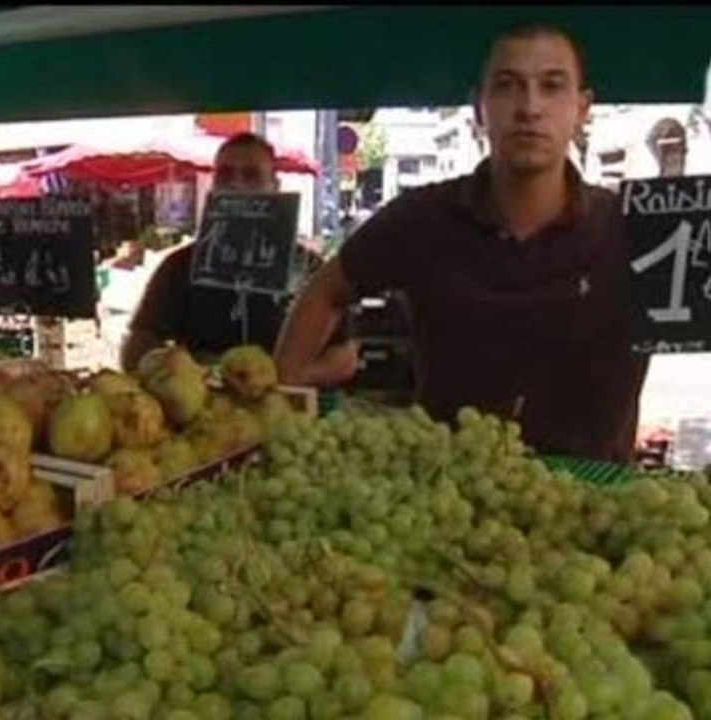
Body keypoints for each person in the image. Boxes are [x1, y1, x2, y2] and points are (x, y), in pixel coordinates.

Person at [275, 24, 648, 462]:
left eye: (552, 86)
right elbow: (328, 289)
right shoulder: (423, 218)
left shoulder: (633, 228)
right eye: (507, 85)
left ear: (582, 108)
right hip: (447, 486)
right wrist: (278, 399)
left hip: (597, 494)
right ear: (478, 107)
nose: (530, 107)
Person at [121, 132, 355, 372]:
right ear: (213, 185)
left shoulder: (309, 268)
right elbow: (139, 341)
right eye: (225, 175)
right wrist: (170, 372)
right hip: (201, 392)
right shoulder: (179, 266)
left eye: (252, 176)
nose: (236, 184)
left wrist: (285, 378)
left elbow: (345, 355)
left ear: (274, 187)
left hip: (284, 393)